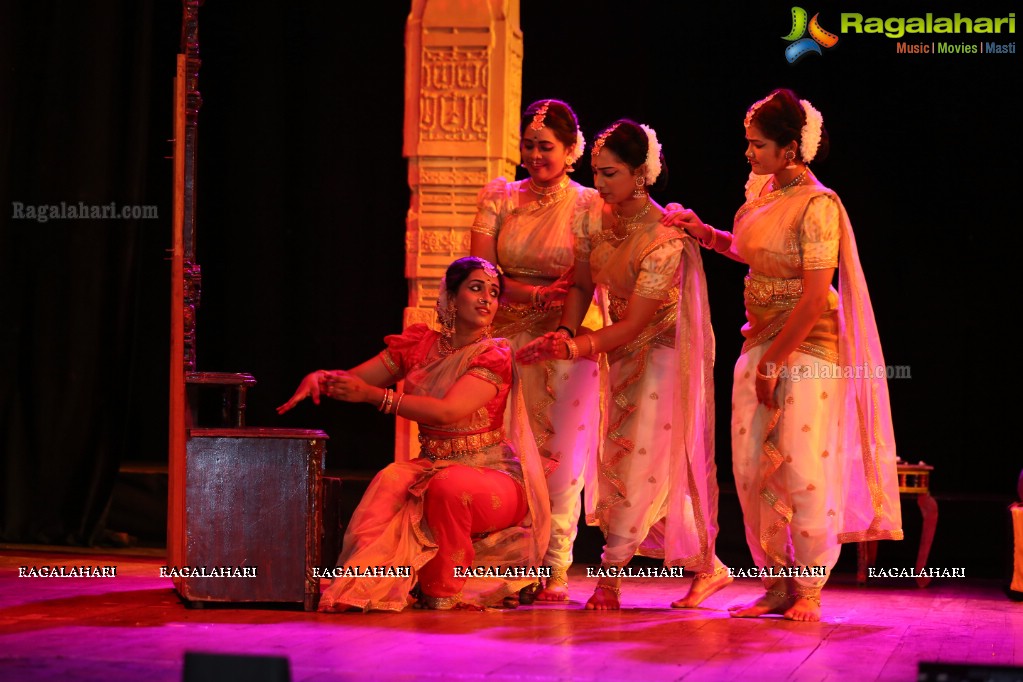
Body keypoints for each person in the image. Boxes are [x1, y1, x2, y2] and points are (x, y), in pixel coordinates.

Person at [664, 88, 903, 621]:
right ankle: (773, 581)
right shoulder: (762, 195)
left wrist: (776, 361)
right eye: (748, 144)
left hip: (808, 347)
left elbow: (817, 294)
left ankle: (810, 588)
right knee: (750, 469)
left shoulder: (819, 205)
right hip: (759, 340)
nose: (749, 153)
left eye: (758, 145)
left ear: (791, 148)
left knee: (801, 467)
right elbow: (753, 252)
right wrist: (706, 235)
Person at [518, 119, 728, 611]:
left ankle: (610, 579)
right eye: (595, 171)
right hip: (615, 351)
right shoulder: (595, 217)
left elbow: (634, 324)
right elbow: (582, 285)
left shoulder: (665, 237)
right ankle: (710, 566)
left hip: (662, 355)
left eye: (610, 173)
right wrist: (566, 331)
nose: (599, 183)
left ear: (640, 174)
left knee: (638, 460)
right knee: (630, 463)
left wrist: (574, 349)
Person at [277, 256, 550, 611]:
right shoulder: (420, 345)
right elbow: (358, 380)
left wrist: (379, 398)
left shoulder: (493, 354)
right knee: (391, 479)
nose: (486, 298)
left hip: (494, 475)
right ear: (451, 297)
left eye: (494, 293)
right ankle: (366, 587)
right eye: (476, 288)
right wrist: (324, 379)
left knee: (448, 486)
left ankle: (443, 589)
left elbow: (449, 411)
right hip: (433, 465)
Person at [471, 98, 601, 602]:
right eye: (528, 145)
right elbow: (479, 269)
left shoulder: (588, 203)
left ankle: (555, 569)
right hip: (503, 338)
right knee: (500, 454)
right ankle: (502, 567)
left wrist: (564, 330)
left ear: (571, 150)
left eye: (546, 146)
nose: (534, 155)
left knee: (560, 456)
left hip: (565, 342)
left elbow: (585, 280)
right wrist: (532, 295)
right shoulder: (500, 196)